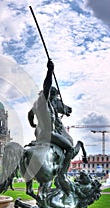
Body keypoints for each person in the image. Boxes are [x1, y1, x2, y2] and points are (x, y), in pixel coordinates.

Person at [28, 60, 77, 194]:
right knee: (70, 148)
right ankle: (62, 175)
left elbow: (29, 115)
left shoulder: (36, 105)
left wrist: (33, 124)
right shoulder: (45, 99)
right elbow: (47, 86)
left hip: (39, 133)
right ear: (53, 95)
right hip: (48, 134)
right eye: (55, 98)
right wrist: (50, 71)